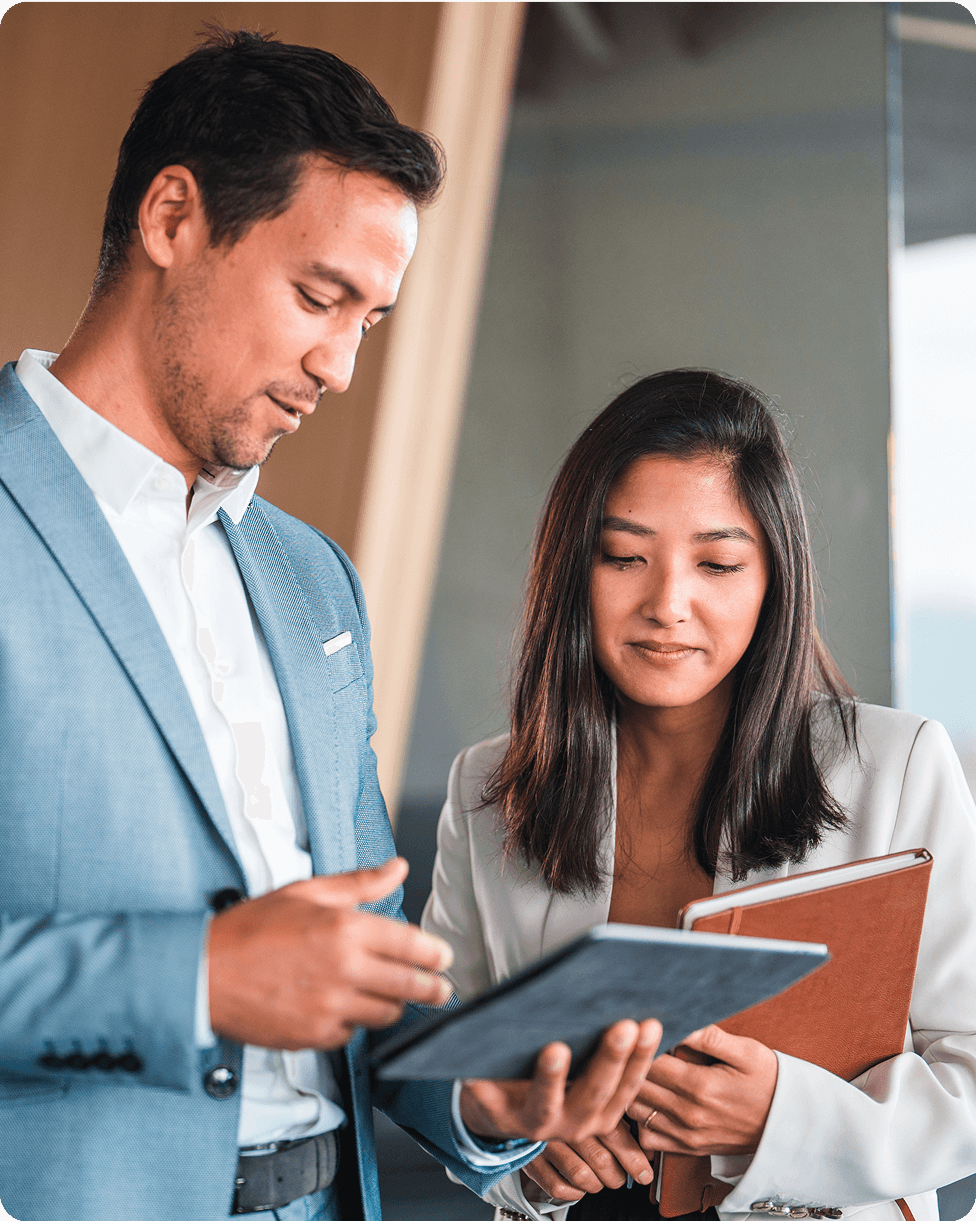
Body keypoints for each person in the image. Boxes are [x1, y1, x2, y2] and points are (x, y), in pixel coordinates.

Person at [0, 29, 663, 1221]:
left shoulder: (314, 582)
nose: (341, 365)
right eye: (320, 297)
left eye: (371, 319)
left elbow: (358, 967)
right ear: (170, 219)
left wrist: (485, 1093)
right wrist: (199, 981)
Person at [422, 369, 976, 1221]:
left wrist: (779, 1118)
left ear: (773, 580)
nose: (668, 605)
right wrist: (518, 1146)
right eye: (625, 557)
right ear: (576, 569)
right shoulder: (484, 792)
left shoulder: (898, 766)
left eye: (717, 562)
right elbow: (442, 1073)